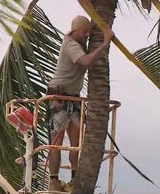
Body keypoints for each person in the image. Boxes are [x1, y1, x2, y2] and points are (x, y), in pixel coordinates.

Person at [46, 15, 114, 191]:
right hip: (58, 98)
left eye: (88, 33)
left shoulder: (81, 43)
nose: (87, 36)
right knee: (56, 141)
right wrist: (105, 44)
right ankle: (53, 181)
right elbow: (85, 61)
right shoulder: (71, 44)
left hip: (73, 98)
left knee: (77, 141)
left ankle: (74, 179)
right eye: (85, 33)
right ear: (76, 31)